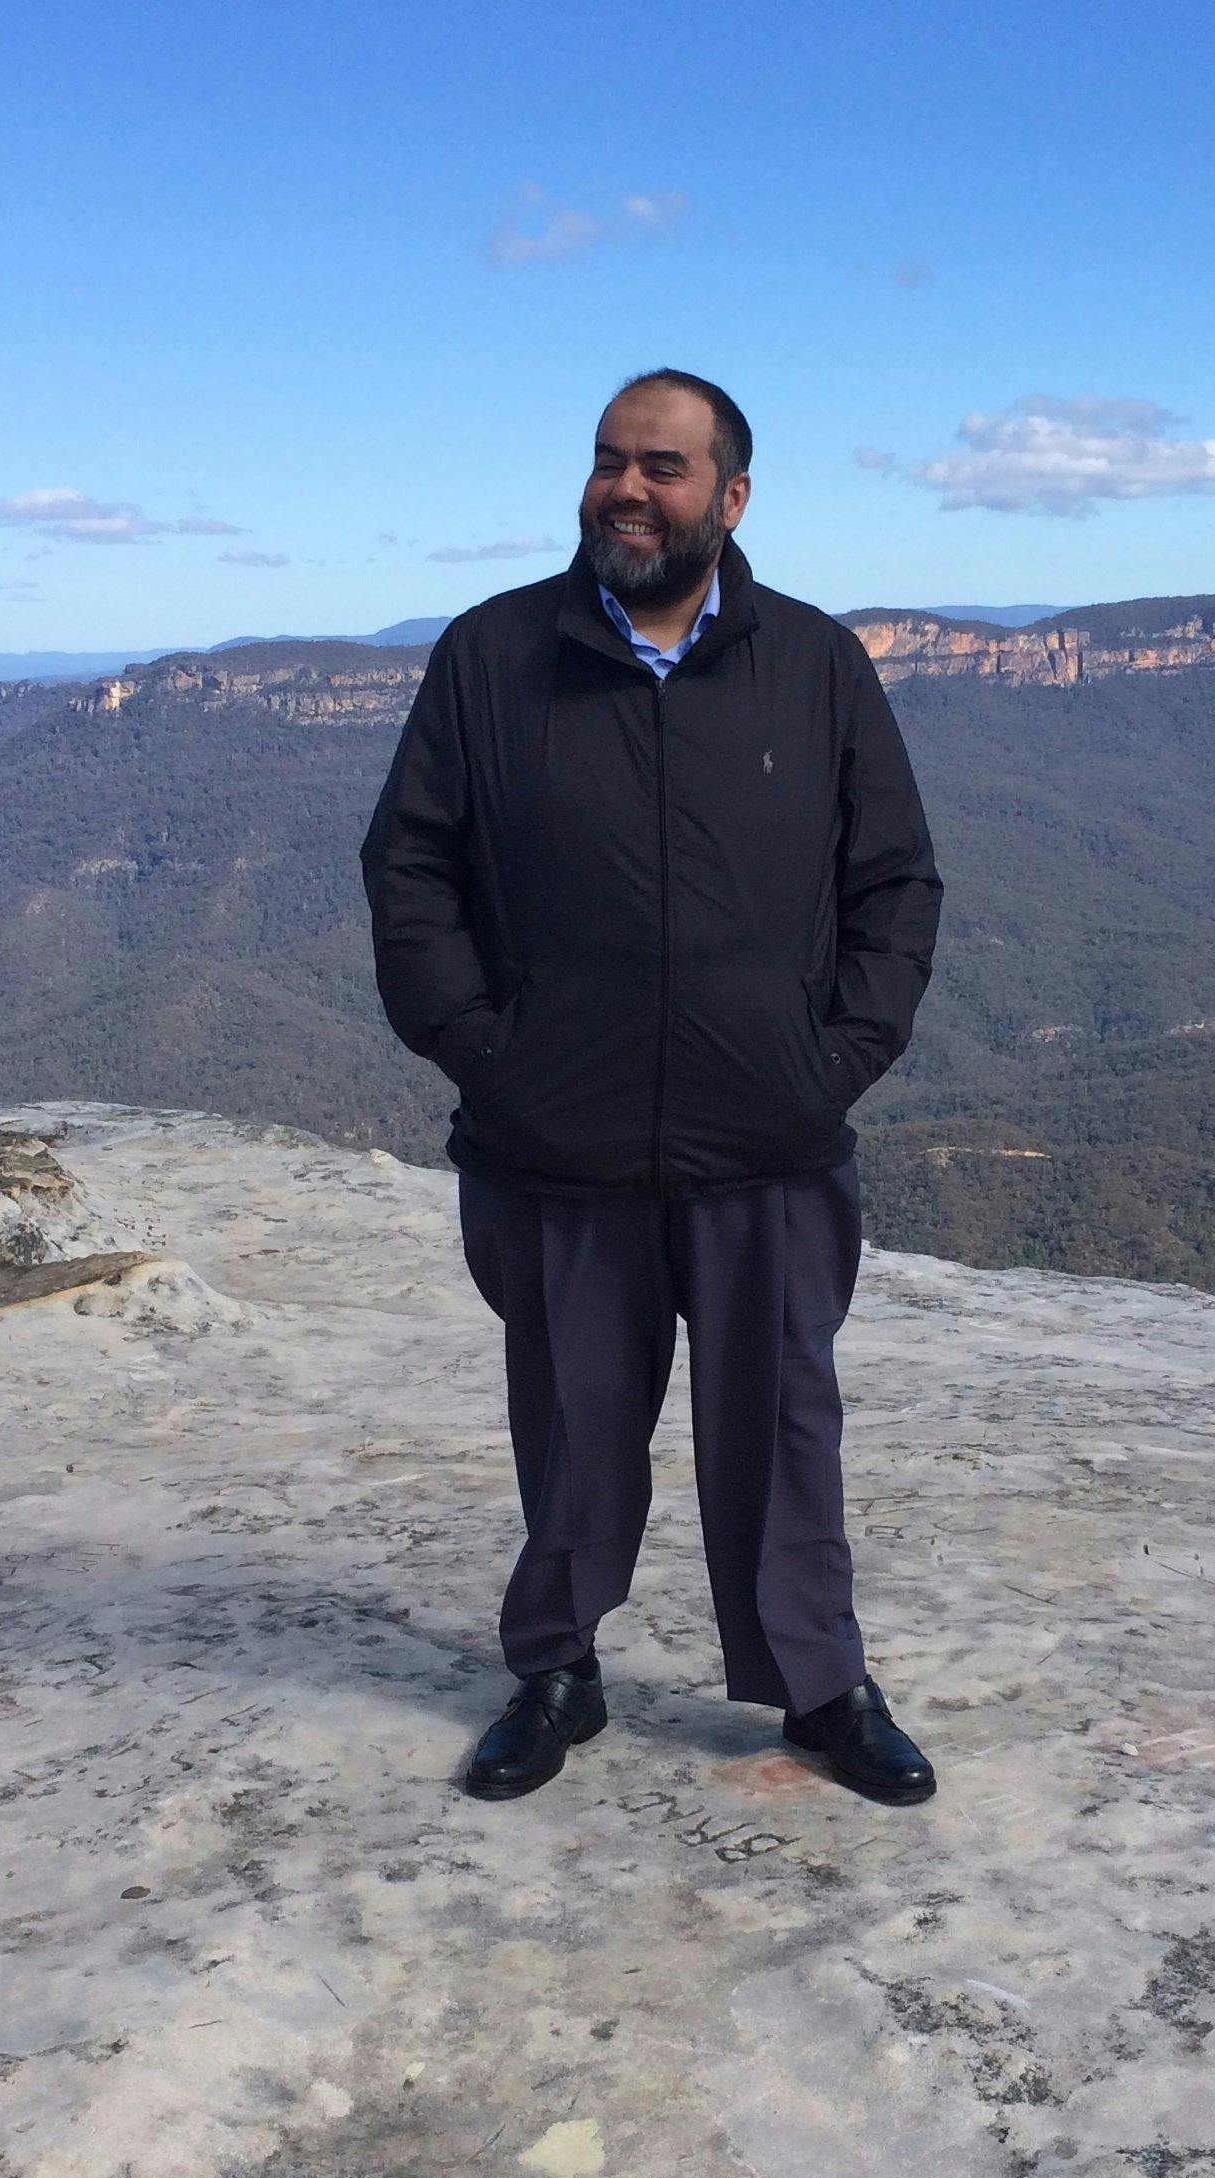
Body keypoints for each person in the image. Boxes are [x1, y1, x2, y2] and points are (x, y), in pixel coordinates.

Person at [362, 370, 947, 1806]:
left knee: (785, 1426)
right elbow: (408, 869)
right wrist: (488, 1053)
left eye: (664, 467)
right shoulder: (493, 658)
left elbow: (897, 885)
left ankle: (819, 1686)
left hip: (769, 1143)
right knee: (569, 1420)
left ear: (731, 497)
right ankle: (556, 1670)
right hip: (555, 1140)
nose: (627, 488)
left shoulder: (814, 666)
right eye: (610, 460)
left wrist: (833, 1064)